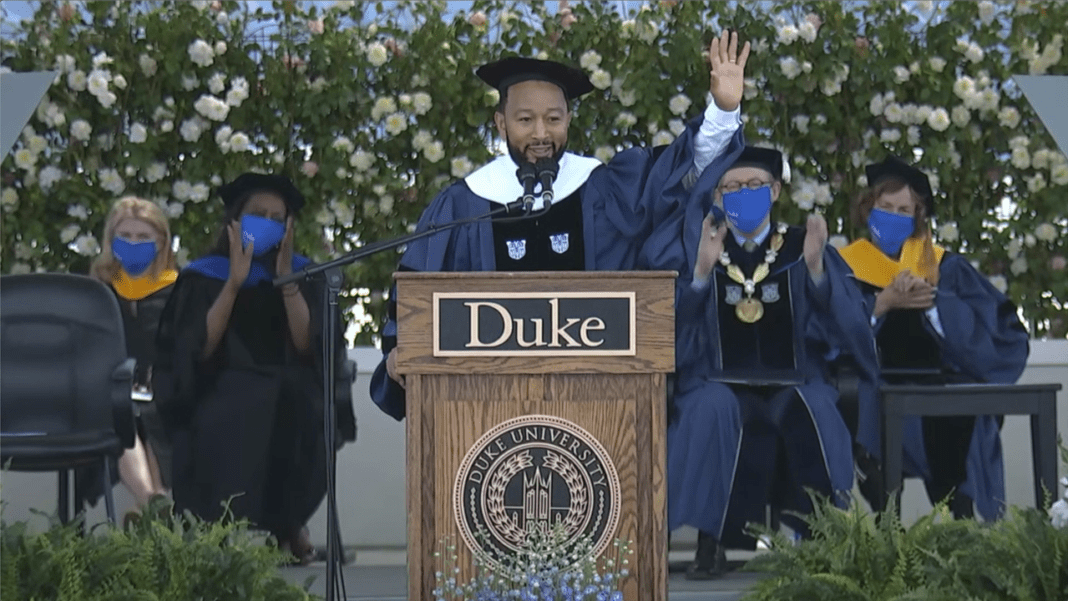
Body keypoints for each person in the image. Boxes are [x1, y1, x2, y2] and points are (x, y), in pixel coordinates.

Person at [371, 31, 751, 420]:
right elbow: (417, 291)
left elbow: (675, 179)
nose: (541, 133)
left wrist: (721, 111)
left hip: (600, 400)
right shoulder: (465, 203)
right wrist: (401, 347)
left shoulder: (603, 188)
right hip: (486, 406)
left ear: (568, 119)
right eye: (525, 119)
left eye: (553, 119)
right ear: (501, 123)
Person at [659, 146, 874, 579]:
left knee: (813, 410)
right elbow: (673, 330)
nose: (743, 194)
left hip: (794, 377)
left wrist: (815, 270)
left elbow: (844, 323)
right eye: (732, 187)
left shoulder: (802, 246)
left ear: (775, 190)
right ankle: (711, 540)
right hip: (718, 378)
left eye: (754, 186)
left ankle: (817, 538)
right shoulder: (702, 245)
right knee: (712, 410)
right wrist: (700, 275)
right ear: (718, 195)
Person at [153, 173, 356, 564]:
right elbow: (198, 349)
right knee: (242, 406)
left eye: (276, 217)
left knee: (297, 405)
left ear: (288, 227)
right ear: (234, 220)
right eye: (256, 214)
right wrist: (233, 284)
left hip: (290, 388)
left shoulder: (303, 273)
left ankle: (289, 523)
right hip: (221, 387)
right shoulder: (204, 275)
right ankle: (220, 530)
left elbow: (310, 347)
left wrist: (286, 282)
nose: (266, 222)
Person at [838, 155, 1029, 520]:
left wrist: (933, 302)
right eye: (886, 207)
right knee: (854, 405)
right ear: (869, 208)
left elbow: (1002, 337)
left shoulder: (945, 267)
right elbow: (823, 335)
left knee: (963, 414)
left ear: (917, 217)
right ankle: (886, 529)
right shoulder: (845, 266)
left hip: (942, 391)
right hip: (875, 393)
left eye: (904, 209)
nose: (894, 216)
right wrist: (880, 305)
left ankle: (966, 530)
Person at [80, 196, 176, 511]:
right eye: (126, 236)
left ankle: (147, 507)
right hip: (112, 394)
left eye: (144, 237)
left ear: (161, 242)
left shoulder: (179, 289)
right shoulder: (98, 291)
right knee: (123, 414)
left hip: (162, 393)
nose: (133, 243)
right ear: (111, 241)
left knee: (149, 417)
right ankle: (154, 503)